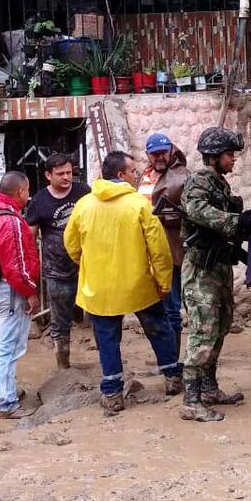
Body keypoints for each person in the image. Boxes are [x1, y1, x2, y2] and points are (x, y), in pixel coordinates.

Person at [64, 151, 182, 416]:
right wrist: (163, 282)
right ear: (120, 175)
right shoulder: (138, 205)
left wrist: (89, 264)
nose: (136, 174)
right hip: (137, 284)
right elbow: (159, 249)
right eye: (132, 171)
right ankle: (173, 378)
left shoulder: (84, 205)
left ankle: (113, 392)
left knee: (107, 339)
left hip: (98, 288)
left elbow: (71, 246)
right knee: (159, 329)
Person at [178, 126, 251, 423]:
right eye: (229, 154)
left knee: (220, 327)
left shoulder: (218, 182)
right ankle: (191, 400)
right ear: (213, 156)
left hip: (218, 268)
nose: (233, 159)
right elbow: (195, 209)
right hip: (200, 272)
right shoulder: (199, 181)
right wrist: (235, 221)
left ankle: (209, 389)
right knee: (202, 332)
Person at [0, 171, 41, 419]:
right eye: (27, 191)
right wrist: (30, 292)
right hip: (10, 291)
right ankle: (7, 403)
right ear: (20, 191)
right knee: (8, 348)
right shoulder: (12, 221)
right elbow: (15, 266)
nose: (28, 195)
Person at [25, 152, 89, 370]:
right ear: (48, 175)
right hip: (57, 272)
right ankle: (64, 367)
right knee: (61, 322)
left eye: (69, 172)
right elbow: (29, 239)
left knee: (100, 317)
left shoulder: (84, 192)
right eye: (60, 173)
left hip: (88, 268)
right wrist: (31, 274)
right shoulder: (40, 201)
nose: (66, 177)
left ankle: (106, 365)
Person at [137, 133, 188, 354]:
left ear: (171, 151)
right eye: (154, 153)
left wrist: (164, 216)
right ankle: (166, 358)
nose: (159, 157)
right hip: (146, 250)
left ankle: (173, 360)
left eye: (163, 152)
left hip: (170, 250)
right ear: (147, 154)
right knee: (154, 308)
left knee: (171, 308)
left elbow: (189, 213)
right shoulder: (144, 175)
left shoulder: (182, 176)